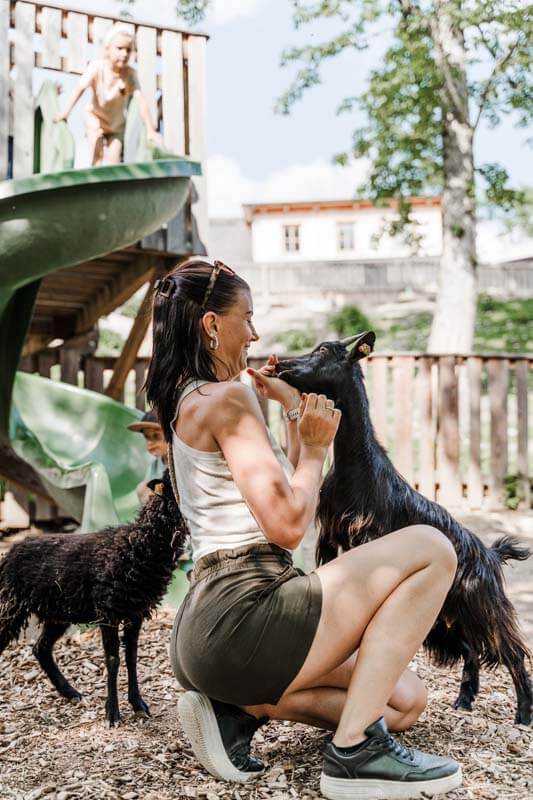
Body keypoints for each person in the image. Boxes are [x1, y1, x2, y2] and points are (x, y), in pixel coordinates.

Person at [144, 259, 462, 800]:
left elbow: (288, 493)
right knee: (433, 547)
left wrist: (292, 412)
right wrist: (317, 448)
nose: (256, 332)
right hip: (247, 612)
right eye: (247, 317)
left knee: (404, 701)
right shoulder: (227, 399)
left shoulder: (189, 398)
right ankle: (356, 754)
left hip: (210, 633)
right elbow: (289, 525)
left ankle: (240, 707)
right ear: (212, 325)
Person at [54, 24, 160, 165]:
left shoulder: (130, 74)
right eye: (119, 48)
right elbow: (79, 89)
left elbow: (140, 100)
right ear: (107, 49)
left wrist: (150, 130)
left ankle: (111, 185)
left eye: (128, 50)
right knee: (97, 151)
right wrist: (66, 112)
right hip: (95, 117)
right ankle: (95, 179)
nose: (124, 54)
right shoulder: (97, 67)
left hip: (116, 124)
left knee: (115, 156)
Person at [127, 409, 167, 505]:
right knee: (142, 488)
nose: (150, 443)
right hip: (160, 503)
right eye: (147, 437)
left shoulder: (177, 462)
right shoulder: (155, 464)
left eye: (156, 435)